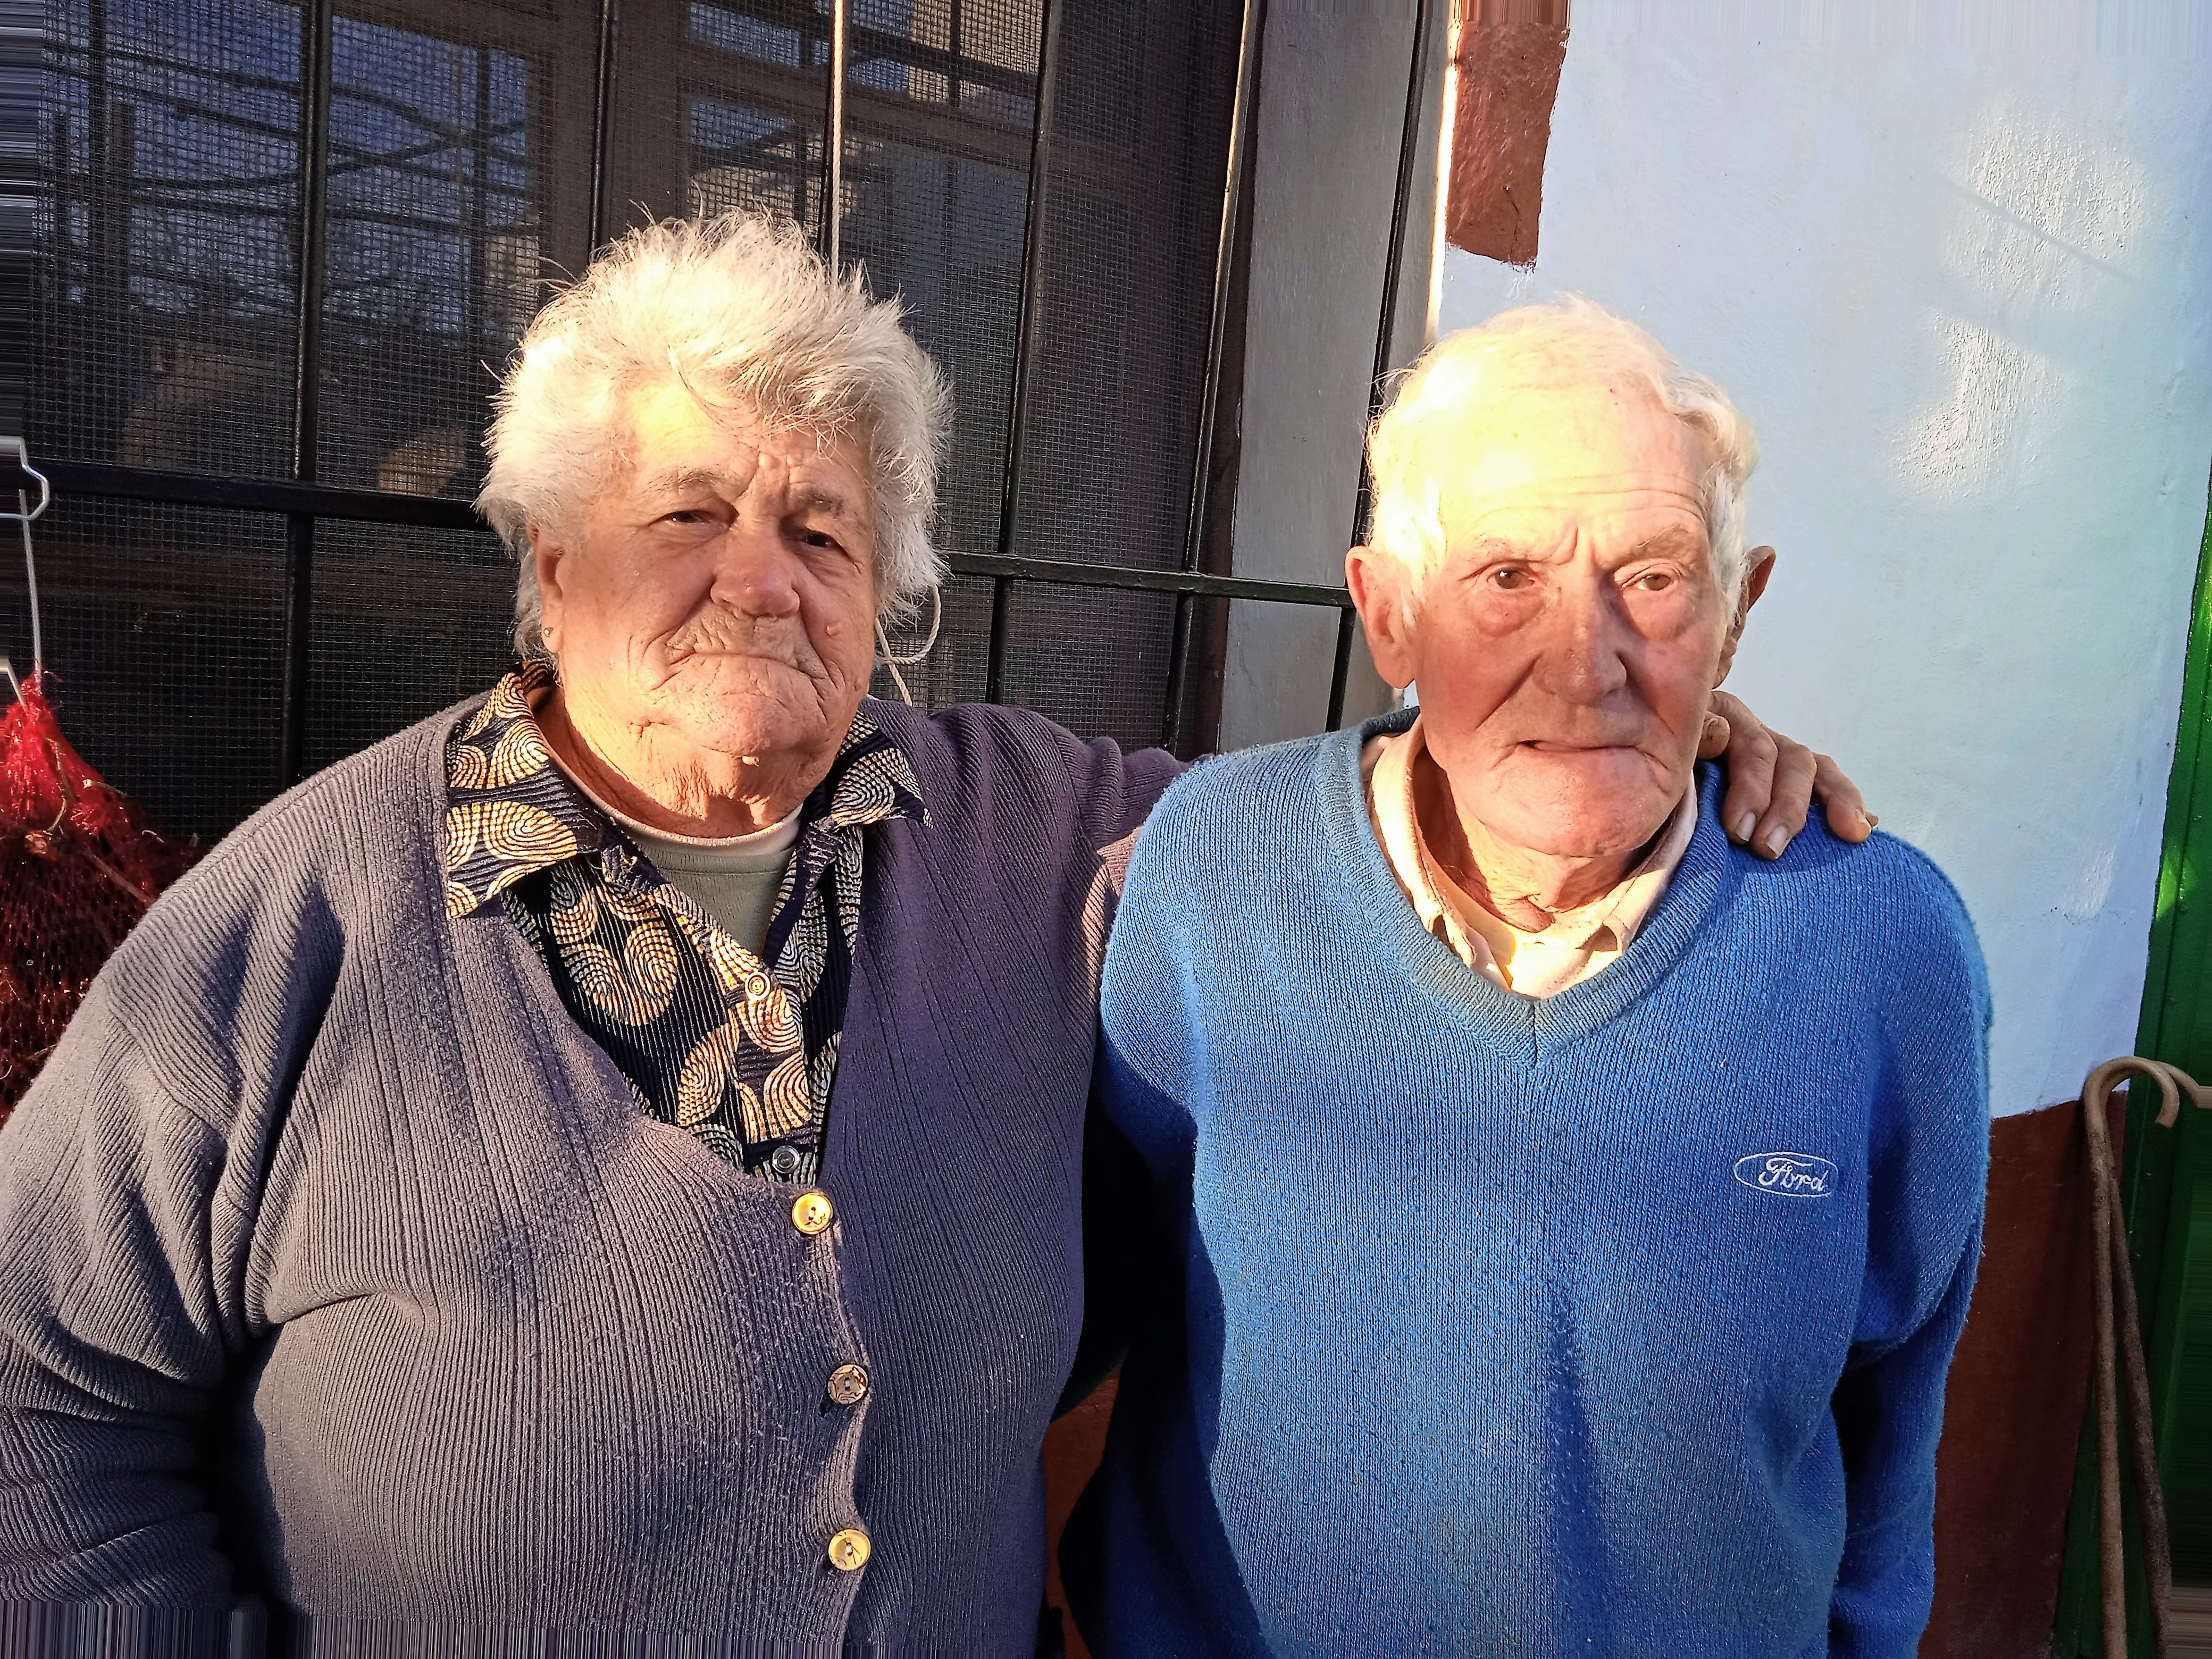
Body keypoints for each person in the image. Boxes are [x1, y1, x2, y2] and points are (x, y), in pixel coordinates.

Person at [0, 219, 1864, 1649]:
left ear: (886, 594)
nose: (760, 572)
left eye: (823, 531)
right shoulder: (301, 922)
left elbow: (1362, 828)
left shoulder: (1043, 833)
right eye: (690, 515)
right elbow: (35, 1393)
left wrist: (1619, 723)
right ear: (551, 563)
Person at [1065, 299, 1988, 1659]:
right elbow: (1098, 1280)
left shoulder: (1882, 942)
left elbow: (1895, 1411)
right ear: (1388, 617)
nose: (1586, 659)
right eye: (1507, 579)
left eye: (1656, 578)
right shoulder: (1211, 874)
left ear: (1735, 619)